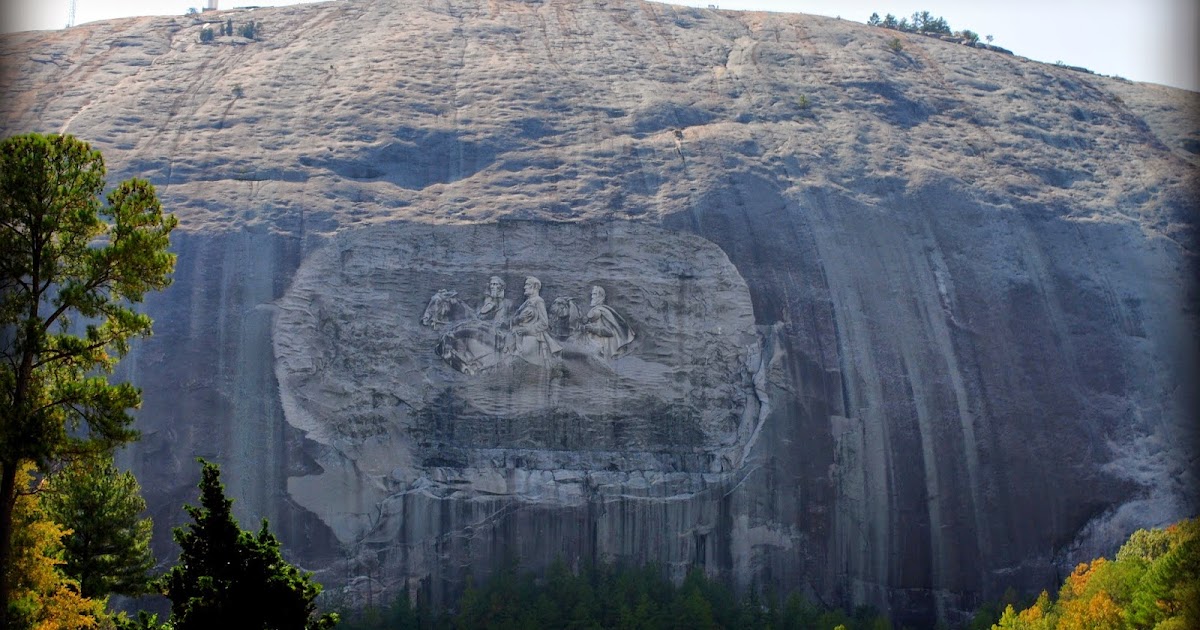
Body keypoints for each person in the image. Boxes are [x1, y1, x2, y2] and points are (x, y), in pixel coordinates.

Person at [508, 276, 562, 367]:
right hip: (519, 335)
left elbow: (544, 323)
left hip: (532, 336)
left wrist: (527, 330)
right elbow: (514, 318)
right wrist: (519, 318)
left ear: (535, 287)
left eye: (527, 284)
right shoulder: (526, 302)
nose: (524, 287)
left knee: (523, 358)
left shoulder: (539, 301)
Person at [582, 285, 635, 359]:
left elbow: (609, 331)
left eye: (594, 294)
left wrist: (593, 329)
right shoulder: (594, 310)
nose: (592, 297)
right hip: (591, 346)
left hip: (602, 348)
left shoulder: (604, 311)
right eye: (592, 294)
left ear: (601, 296)